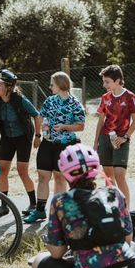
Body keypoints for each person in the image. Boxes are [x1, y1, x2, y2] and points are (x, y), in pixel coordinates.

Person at [0, 69, 42, 216]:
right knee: (3, 170)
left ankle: (33, 204)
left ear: (8, 87)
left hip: (23, 138)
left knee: (22, 171)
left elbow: (37, 115)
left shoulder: (21, 100)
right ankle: (4, 206)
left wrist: (37, 135)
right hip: (7, 138)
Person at [24, 72, 86, 223]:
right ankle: (39, 211)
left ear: (61, 84)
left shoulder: (75, 103)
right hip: (47, 143)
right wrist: (44, 125)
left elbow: (81, 126)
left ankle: (58, 212)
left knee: (59, 178)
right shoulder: (50, 100)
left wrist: (65, 126)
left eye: (52, 84)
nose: (50, 86)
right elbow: (42, 116)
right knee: (43, 176)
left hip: (65, 145)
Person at [93, 65, 135, 208]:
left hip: (121, 141)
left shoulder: (131, 97)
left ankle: (126, 210)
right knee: (108, 178)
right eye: (104, 81)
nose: (104, 85)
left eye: (107, 81)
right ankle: (113, 207)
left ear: (118, 80)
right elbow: (101, 121)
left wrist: (125, 137)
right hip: (105, 139)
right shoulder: (105, 98)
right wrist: (96, 143)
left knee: (120, 175)